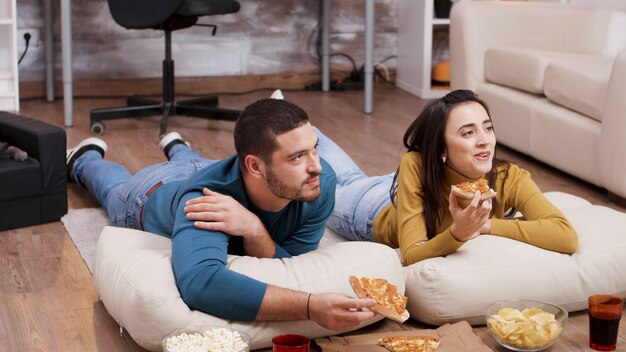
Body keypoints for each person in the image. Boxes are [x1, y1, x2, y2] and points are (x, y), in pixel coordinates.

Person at [66, 98, 377, 329]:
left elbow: (291, 263)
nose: (317, 166)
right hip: (150, 191)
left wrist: (254, 229)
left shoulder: (318, 182)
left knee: (195, 162)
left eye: (315, 148)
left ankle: (178, 145)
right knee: (112, 189)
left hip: (211, 168)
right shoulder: (205, 201)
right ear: (255, 166)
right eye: (297, 157)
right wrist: (309, 307)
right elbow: (200, 283)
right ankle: (83, 160)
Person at [315, 89, 578, 266]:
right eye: (468, 133)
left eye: (487, 128)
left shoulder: (509, 176)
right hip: (370, 210)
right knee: (330, 185)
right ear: (441, 149)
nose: (484, 141)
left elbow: (565, 235)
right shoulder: (415, 164)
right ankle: (298, 127)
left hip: (401, 191)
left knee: (349, 176)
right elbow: (411, 254)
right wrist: (457, 233)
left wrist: (485, 226)